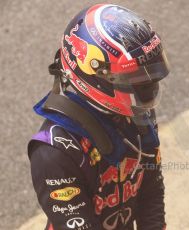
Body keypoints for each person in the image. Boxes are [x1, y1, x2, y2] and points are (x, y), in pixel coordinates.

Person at [28, 4, 170, 230]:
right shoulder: (53, 152)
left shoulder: (136, 114)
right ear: (95, 76)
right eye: (134, 79)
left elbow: (151, 192)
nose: (147, 90)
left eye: (147, 79)